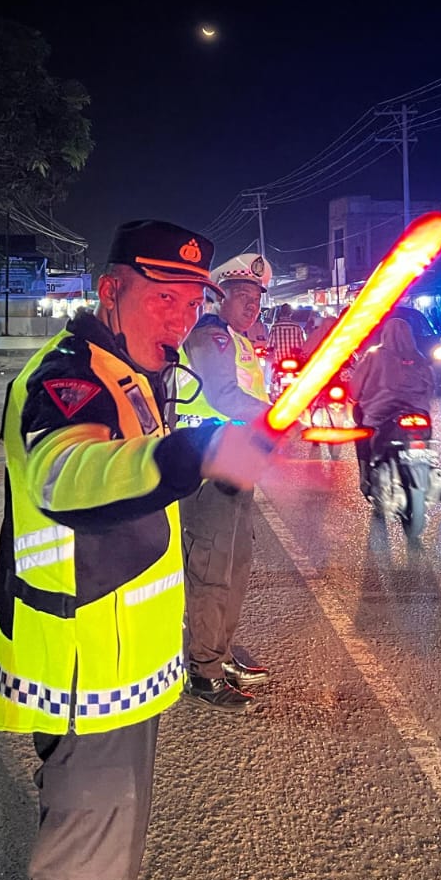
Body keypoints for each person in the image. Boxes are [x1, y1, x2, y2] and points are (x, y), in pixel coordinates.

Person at [0, 220, 275, 880]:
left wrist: (231, 435)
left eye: (191, 303)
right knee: (87, 842)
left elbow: (174, 438)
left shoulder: (137, 372)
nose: (182, 318)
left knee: (115, 828)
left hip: (128, 660)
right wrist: (194, 452)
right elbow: (67, 470)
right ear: (111, 290)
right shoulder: (69, 377)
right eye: (165, 298)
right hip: (84, 661)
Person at [176, 252, 274, 709]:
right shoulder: (210, 337)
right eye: (241, 295)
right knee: (211, 570)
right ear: (221, 298)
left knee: (235, 567)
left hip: (235, 463)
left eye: (256, 297)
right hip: (208, 466)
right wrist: (277, 419)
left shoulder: (239, 340)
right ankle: (203, 670)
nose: (251, 304)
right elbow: (224, 395)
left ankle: (220, 653)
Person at [351, 315, 436, 498]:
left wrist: (357, 398)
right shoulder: (419, 358)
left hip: (381, 412)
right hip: (418, 412)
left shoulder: (373, 355)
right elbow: (430, 386)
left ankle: (365, 474)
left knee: (362, 432)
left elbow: (355, 388)